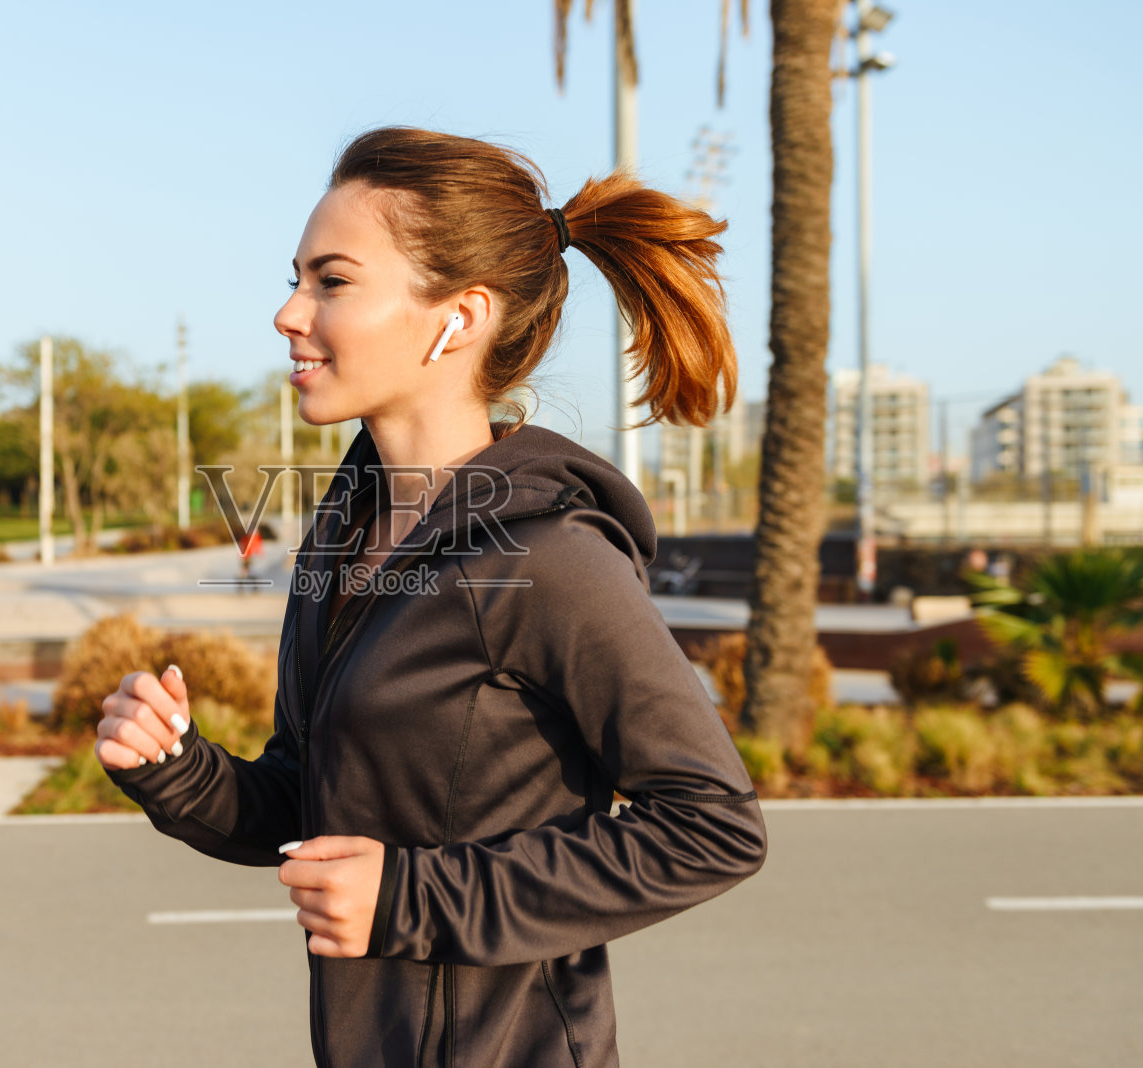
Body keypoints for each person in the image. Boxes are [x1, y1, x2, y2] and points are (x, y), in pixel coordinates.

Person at [95, 126, 767, 1067]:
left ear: (458, 318)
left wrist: (410, 900)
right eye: (296, 278)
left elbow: (712, 826)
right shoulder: (341, 535)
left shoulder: (549, 556)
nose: (289, 313)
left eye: (331, 281)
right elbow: (311, 804)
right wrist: (176, 767)